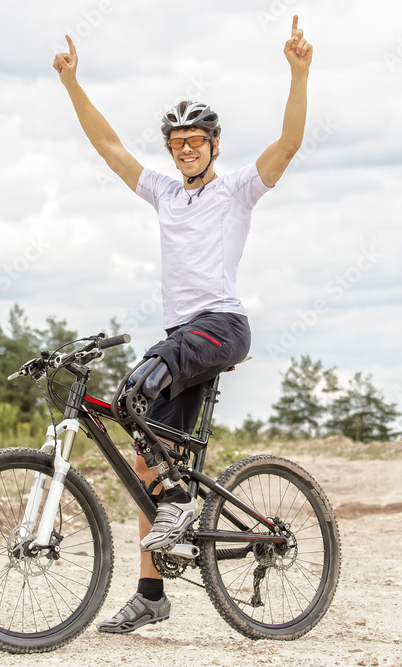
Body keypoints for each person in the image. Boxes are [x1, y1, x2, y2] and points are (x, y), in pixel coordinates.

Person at [53, 15, 313, 634]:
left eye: (196, 140)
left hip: (220, 326)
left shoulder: (237, 191)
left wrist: (299, 74)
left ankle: (180, 502)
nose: (186, 149)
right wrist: (72, 85)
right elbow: (110, 149)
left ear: (214, 144)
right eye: (177, 143)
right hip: (182, 341)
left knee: (141, 383)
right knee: (147, 464)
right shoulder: (166, 194)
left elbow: (288, 144)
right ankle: (151, 594)